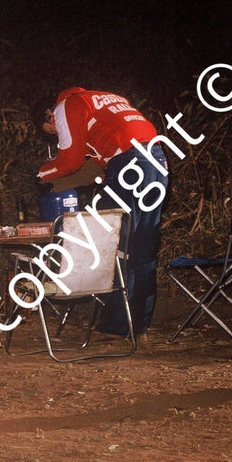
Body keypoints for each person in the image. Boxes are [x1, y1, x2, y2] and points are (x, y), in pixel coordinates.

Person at [34, 88, 167, 338]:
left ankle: (115, 326)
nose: (58, 135)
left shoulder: (67, 105)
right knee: (141, 247)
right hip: (157, 160)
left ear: (50, 115)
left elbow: (70, 160)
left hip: (129, 163)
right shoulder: (104, 99)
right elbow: (96, 163)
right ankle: (137, 326)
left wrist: (41, 173)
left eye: (52, 132)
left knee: (110, 244)